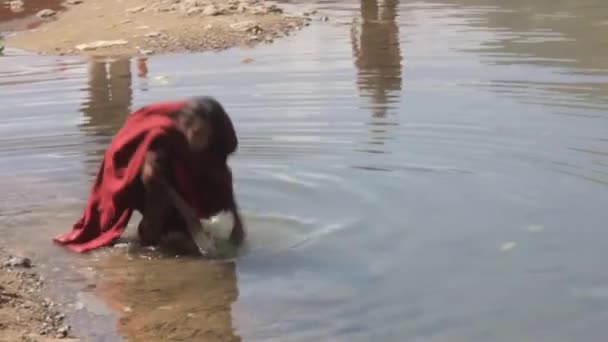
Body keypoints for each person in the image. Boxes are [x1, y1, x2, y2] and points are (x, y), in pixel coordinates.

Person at [54, 96, 245, 253]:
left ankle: (173, 230)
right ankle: (147, 245)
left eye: (205, 136)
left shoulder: (221, 137)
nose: (199, 141)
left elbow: (221, 173)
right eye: (196, 134)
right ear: (185, 127)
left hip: (172, 162)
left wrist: (237, 221)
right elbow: (154, 177)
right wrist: (188, 214)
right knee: (158, 207)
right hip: (138, 162)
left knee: (182, 228)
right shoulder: (162, 133)